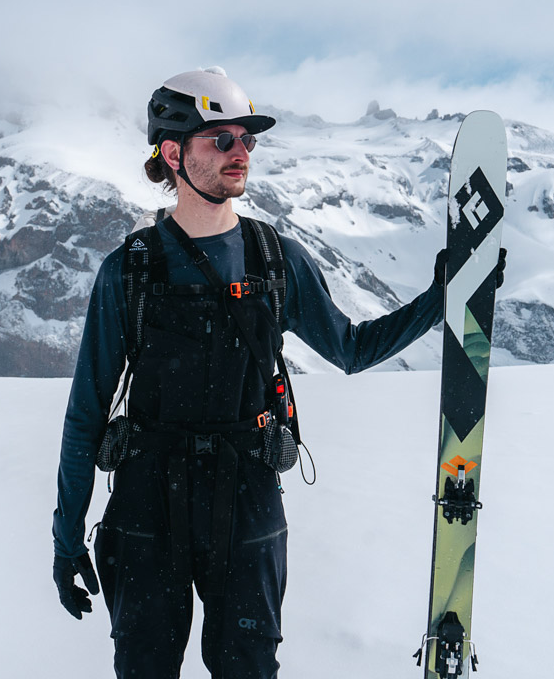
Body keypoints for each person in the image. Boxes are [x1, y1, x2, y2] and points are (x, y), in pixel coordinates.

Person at [52, 67, 500, 678]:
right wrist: (66, 535)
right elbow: (87, 412)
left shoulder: (275, 258)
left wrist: (439, 299)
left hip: (247, 504)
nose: (241, 152)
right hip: (146, 509)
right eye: (222, 140)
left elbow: (350, 348)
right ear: (172, 153)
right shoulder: (128, 271)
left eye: (247, 139)